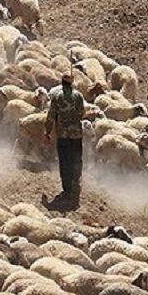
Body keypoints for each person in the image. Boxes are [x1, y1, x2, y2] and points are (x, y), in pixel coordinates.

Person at [43, 72, 85, 210]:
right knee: (77, 158)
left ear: (62, 82)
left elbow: (51, 115)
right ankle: (76, 181)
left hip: (63, 135)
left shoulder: (57, 97)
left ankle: (67, 189)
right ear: (71, 83)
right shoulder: (78, 95)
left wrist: (47, 131)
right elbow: (82, 113)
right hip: (76, 134)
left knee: (65, 161)